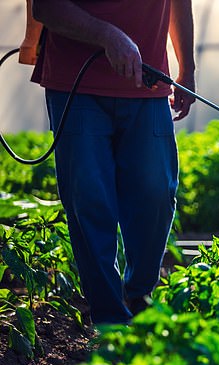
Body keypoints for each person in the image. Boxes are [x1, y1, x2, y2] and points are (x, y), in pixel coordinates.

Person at [31, 0, 196, 325]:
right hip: (76, 83)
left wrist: (187, 68)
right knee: (89, 201)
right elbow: (46, 7)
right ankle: (110, 319)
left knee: (157, 192)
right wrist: (107, 35)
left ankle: (138, 294)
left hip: (148, 80)